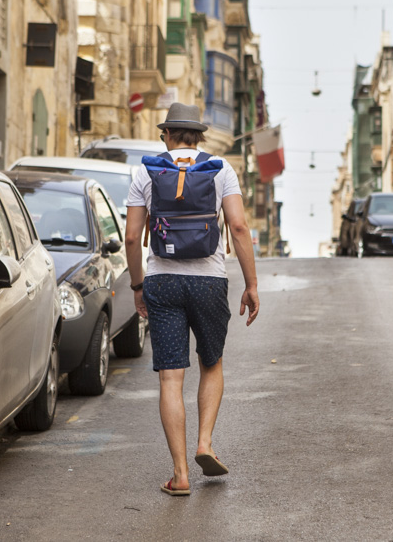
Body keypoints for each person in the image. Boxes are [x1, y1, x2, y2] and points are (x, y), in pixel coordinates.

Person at [124, 102, 260, 496]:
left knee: (171, 377)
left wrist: (138, 286)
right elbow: (237, 225)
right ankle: (205, 442)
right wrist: (251, 284)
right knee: (211, 363)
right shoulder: (220, 169)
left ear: (167, 135)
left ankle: (180, 475)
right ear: (199, 136)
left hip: (162, 281)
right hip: (209, 281)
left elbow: (133, 237)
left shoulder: (146, 172)